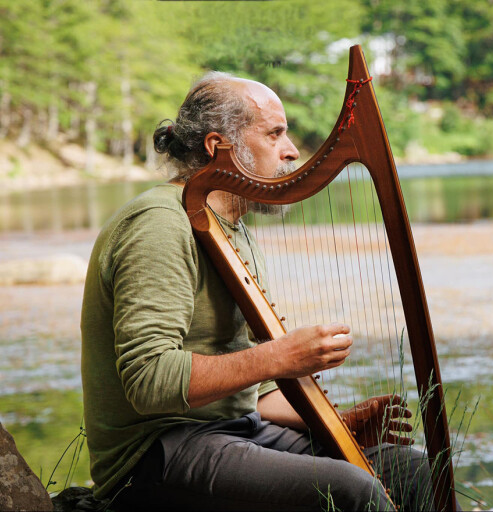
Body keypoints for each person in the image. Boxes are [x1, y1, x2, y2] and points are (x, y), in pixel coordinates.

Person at [81, 71, 450, 511]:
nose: (292, 150)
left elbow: (251, 392)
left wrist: (341, 424)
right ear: (219, 147)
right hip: (155, 452)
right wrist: (281, 357)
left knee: (413, 470)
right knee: (352, 492)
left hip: (239, 429)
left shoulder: (227, 227)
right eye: (275, 134)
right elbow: (149, 381)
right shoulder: (159, 225)